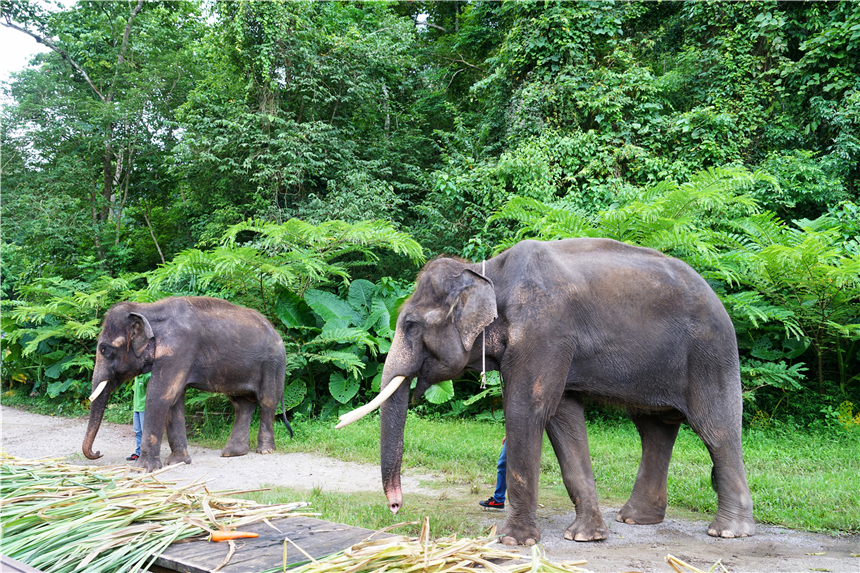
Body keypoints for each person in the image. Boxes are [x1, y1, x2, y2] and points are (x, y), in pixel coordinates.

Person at [127, 372, 150, 461]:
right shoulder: (136, 377)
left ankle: (147, 453)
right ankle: (138, 453)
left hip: (144, 408)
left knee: (145, 431)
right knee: (137, 431)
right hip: (136, 408)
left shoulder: (148, 376)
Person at [479, 436, 506, 509]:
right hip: (514, 433)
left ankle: (499, 499)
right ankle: (498, 499)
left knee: (504, 464)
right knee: (503, 465)